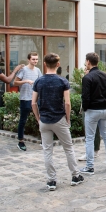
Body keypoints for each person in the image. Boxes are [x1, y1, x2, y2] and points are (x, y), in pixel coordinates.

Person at [32, 53, 84, 190]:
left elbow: (33, 103)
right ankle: (75, 175)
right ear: (58, 65)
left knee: (47, 150)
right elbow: (67, 103)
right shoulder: (62, 81)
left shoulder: (39, 81)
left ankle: (51, 181)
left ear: (44, 64)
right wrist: (67, 118)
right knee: (68, 148)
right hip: (59, 119)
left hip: (44, 120)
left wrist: (38, 118)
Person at [79, 52, 106, 175]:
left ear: (88, 62)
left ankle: (90, 167)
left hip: (92, 111)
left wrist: (85, 108)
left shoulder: (87, 78)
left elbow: (85, 97)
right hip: (105, 110)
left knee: (89, 138)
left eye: (86, 61)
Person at [12, 52, 42, 151]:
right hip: (25, 98)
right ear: (29, 59)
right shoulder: (23, 70)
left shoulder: (38, 70)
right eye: (33, 59)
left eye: (36, 59)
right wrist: (26, 81)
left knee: (40, 119)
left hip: (36, 99)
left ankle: (43, 140)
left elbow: (40, 82)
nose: (35, 61)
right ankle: (20, 141)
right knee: (23, 120)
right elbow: (15, 82)